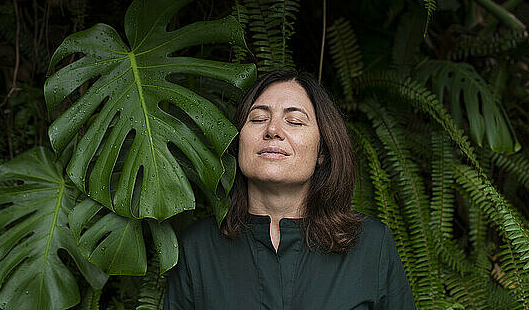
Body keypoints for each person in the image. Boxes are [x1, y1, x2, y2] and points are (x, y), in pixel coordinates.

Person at [163, 70, 416, 309]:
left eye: (294, 121)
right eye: (259, 118)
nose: (272, 130)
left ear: (322, 152)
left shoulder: (371, 245)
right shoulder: (198, 246)